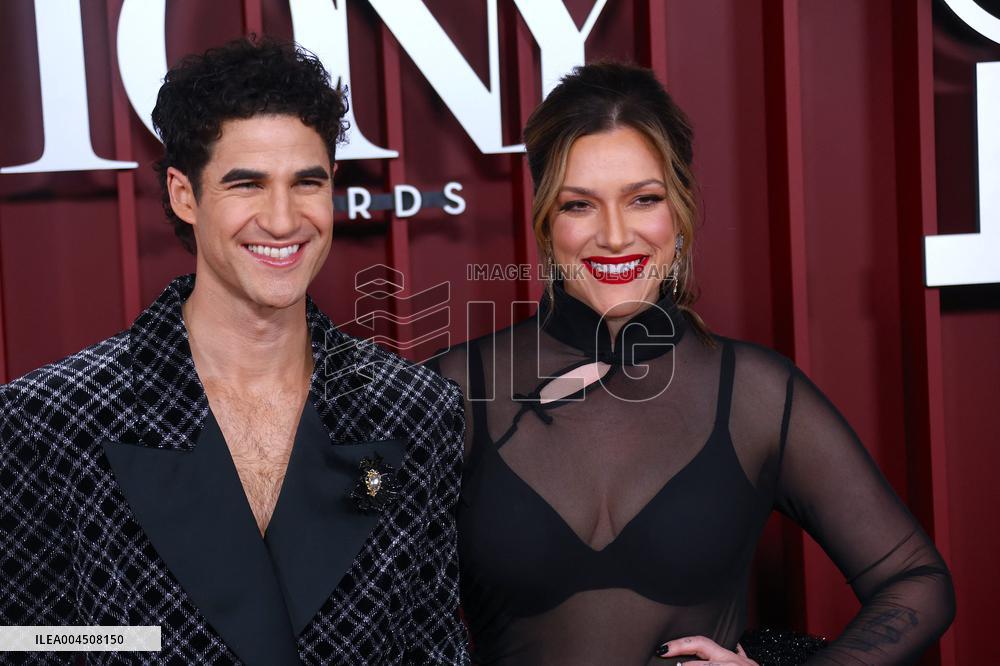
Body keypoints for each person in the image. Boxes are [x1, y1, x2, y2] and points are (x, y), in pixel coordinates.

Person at [427, 62, 955, 665]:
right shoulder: (455, 389)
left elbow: (919, 581)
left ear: (677, 213)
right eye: (580, 205)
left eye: (643, 199)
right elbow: (375, 614)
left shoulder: (754, 394)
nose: (616, 235)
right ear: (547, 221)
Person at [0, 38, 468, 665]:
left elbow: (433, 646)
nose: (281, 220)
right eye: (246, 184)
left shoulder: (413, 408)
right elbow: (32, 643)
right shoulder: (50, 419)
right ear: (183, 195)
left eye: (306, 183)